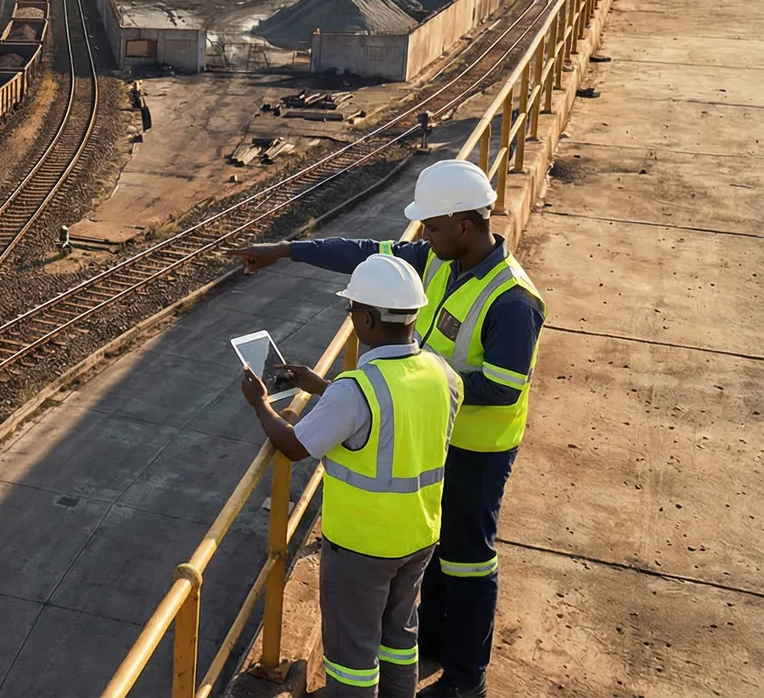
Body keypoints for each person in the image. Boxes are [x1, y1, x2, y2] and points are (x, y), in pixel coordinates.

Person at [232, 159, 545, 697]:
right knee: (432, 569)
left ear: (464, 224)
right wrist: (287, 250)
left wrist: (414, 382)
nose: (423, 235)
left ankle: (467, 681)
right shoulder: (438, 262)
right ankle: (437, 645)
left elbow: (504, 388)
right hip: (426, 439)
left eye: (432, 226)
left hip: (476, 454)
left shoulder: (513, 300)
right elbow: (363, 254)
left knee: (469, 564)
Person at [241, 254, 462, 698]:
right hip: (419, 534)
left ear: (366, 317)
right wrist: (321, 386)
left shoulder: (356, 390)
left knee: (352, 657)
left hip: (363, 546)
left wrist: (260, 404)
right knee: (399, 637)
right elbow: (392, 416)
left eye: (352, 310)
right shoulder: (441, 373)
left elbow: (295, 446)